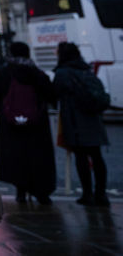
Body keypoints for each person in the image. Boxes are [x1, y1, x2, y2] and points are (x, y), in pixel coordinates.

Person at [0, 42, 55, 204]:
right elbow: (51, 95)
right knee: (39, 157)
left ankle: (21, 190)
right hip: (36, 124)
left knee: (17, 157)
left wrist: (3, 113)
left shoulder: (4, 73)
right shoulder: (37, 73)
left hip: (11, 123)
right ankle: (41, 192)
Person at [53, 41, 110, 206]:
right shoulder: (86, 70)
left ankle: (87, 193)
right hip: (93, 119)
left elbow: (55, 93)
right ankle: (101, 194)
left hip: (75, 119)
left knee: (81, 157)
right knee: (97, 157)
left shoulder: (63, 72)